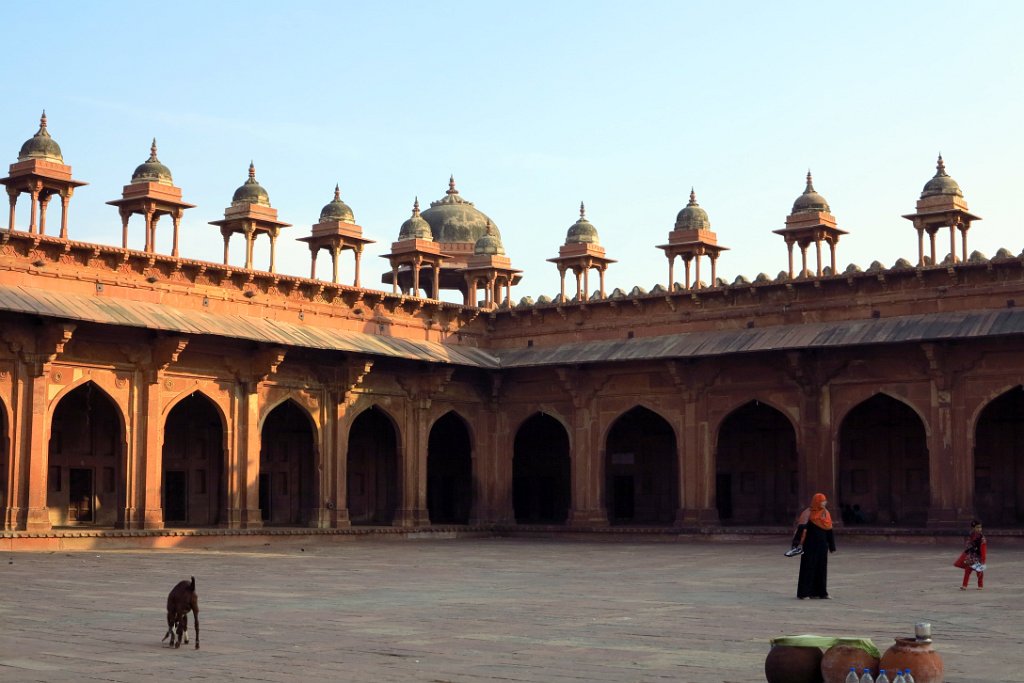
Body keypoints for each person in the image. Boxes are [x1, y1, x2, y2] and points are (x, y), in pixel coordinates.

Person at [790, 492, 836, 599]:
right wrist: (795, 544)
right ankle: (804, 593)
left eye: (825, 500)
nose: (825, 502)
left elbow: (829, 530)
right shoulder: (808, 514)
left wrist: (832, 546)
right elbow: (801, 529)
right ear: (817, 501)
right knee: (808, 569)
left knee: (821, 569)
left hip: (822, 547)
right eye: (822, 501)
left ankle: (821, 593)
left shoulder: (826, 513)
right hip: (809, 546)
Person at [954, 519, 986, 590]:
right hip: (971, 556)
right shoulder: (971, 536)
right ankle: (964, 585)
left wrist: (983, 558)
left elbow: (983, 548)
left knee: (979, 571)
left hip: (978, 556)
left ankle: (980, 585)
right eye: (977, 527)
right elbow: (967, 545)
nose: (979, 529)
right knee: (967, 570)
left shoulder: (982, 538)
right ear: (973, 528)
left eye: (980, 527)